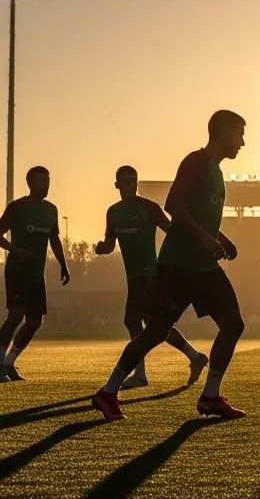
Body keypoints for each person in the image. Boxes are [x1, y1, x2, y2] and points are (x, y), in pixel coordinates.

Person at [92, 110, 247, 421]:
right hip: (177, 266)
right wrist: (205, 239)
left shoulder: (216, 172)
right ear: (224, 132)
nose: (243, 142)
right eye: (240, 134)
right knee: (155, 333)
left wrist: (221, 238)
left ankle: (210, 396)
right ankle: (107, 393)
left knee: (233, 323)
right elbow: (173, 204)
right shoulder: (196, 162)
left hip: (203, 268)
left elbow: (199, 215)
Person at [94, 165, 209, 389]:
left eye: (132, 181)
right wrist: (101, 248)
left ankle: (140, 374)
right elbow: (109, 244)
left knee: (133, 320)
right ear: (116, 185)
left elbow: (173, 231)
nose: (129, 185)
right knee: (155, 324)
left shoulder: (149, 208)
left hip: (150, 274)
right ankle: (195, 356)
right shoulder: (113, 212)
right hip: (133, 275)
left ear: (137, 183)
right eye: (124, 181)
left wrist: (181, 258)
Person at [0, 166, 70, 381]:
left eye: (48, 181)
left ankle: (9, 363)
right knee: (16, 315)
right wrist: (15, 250)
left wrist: (63, 264)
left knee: (35, 322)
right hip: (17, 271)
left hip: (36, 274)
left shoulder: (51, 210)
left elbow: (54, 239)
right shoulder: (18, 207)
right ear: (30, 183)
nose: (46, 185)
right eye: (42, 181)